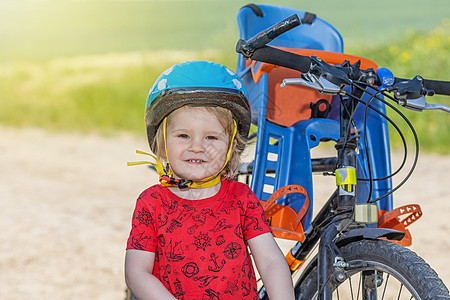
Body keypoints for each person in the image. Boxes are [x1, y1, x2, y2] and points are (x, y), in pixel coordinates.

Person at [125, 60, 295, 300]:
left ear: (231, 145)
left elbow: (270, 261)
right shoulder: (151, 203)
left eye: (211, 138)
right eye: (184, 135)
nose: (197, 147)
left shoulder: (241, 198)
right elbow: (137, 273)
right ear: (162, 142)